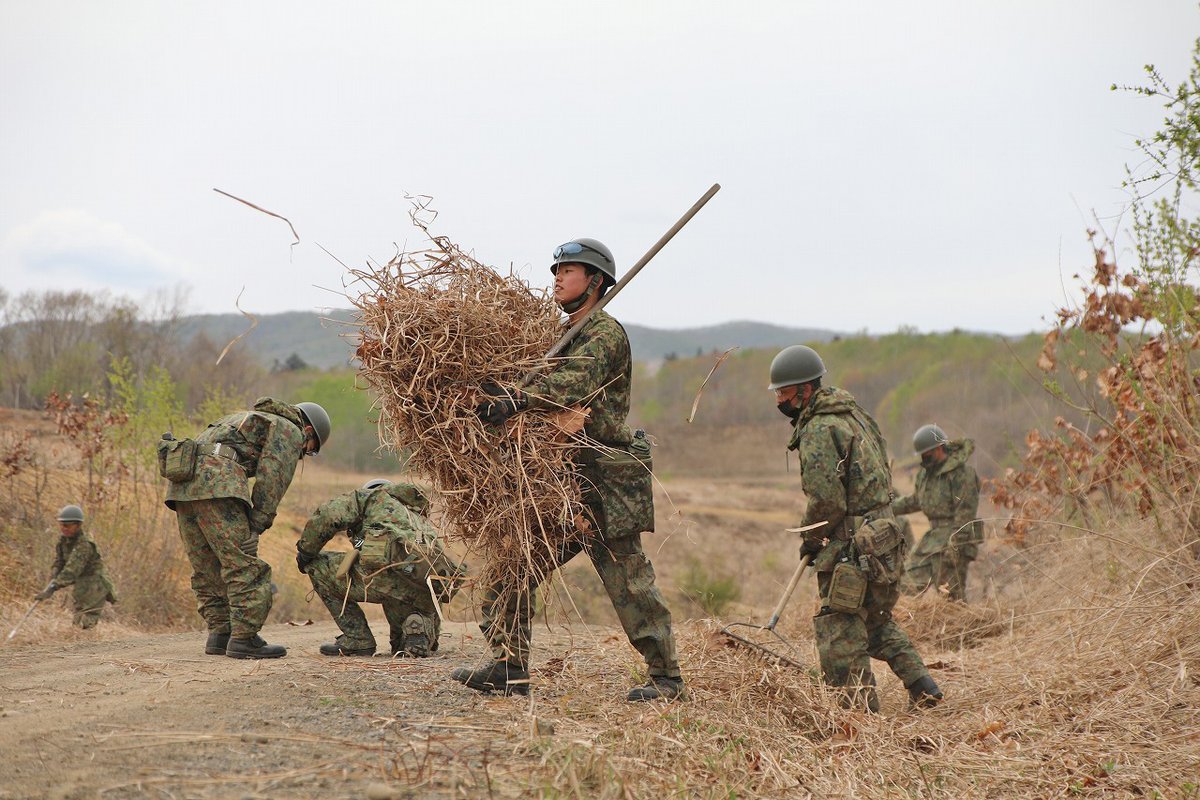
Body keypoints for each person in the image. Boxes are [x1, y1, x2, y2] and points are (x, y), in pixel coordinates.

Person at [451, 237, 684, 702]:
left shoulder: (604, 334)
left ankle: (666, 678)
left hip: (604, 480)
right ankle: (508, 666)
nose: (557, 278)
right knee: (515, 563)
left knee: (628, 580)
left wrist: (518, 399)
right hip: (562, 480)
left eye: (569, 270)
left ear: (595, 281)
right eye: (556, 270)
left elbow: (572, 383)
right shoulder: (562, 335)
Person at [770, 345, 941, 711]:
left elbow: (826, 501)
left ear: (805, 390)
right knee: (875, 620)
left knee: (839, 631)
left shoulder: (819, 428)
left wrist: (811, 537)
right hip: (884, 538)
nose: (779, 400)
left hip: (854, 547)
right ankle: (923, 686)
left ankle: (857, 721)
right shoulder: (854, 414)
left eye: (783, 392)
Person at [162, 397, 331, 659]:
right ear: (308, 431)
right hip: (218, 483)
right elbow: (273, 476)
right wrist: (257, 523)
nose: (303, 454)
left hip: (182, 487)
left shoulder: (241, 417)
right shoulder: (288, 428)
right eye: (309, 450)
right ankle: (244, 639)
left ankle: (220, 633)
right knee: (243, 564)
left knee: (208, 565)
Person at [296, 478, 464, 657]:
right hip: (421, 589)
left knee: (317, 565)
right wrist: (433, 634)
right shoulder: (418, 518)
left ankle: (358, 639)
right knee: (401, 645)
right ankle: (420, 628)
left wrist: (306, 551)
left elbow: (329, 515)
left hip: (383, 576)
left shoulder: (370, 497)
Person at [893, 424, 982, 601]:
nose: (923, 457)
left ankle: (959, 619)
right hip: (932, 539)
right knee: (906, 584)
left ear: (939, 448)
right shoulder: (925, 475)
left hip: (955, 539)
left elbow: (965, 514)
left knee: (951, 598)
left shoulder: (962, 474)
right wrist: (888, 506)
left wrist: (954, 546)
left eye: (927, 453)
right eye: (921, 454)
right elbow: (916, 501)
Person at [35, 504, 118, 628]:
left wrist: (52, 587)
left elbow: (72, 570)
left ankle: (86, 639)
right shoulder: (63, 541)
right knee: (77, 619)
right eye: (61, 525)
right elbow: (59, 561)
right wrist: (55, 572)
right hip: (81, 584)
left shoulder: (84, 545)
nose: (64, 528)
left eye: (67, 525)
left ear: (78, 525)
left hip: (95, 584)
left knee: (86, 621)